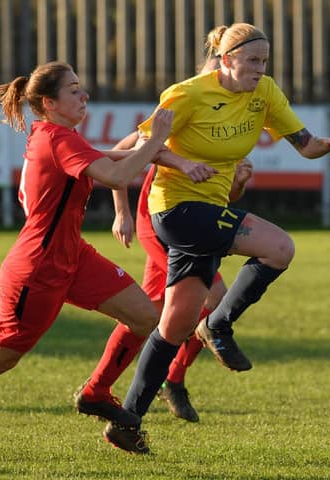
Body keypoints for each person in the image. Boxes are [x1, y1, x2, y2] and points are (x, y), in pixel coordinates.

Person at [102, 23, 330, 454]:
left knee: (175, 325)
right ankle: (218, 324)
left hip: (210, 212)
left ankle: (127, 420)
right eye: (252, 60)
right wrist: (182, 165)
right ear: (227, 59)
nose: (259, 69)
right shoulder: (187, 93)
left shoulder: (265, 93)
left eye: (264, 61)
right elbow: (143, 146)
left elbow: (304, 144)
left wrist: (327, 144)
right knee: (280, 247)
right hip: (174, 210)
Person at [0, 61, 174, 457]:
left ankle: (96, 392)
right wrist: (157, 139)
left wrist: (171, 157)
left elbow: (113, 158)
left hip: (73, 256)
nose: (84, 95)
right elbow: (116, 176)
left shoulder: (60, 136)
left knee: (143, 314)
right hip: (37, 271)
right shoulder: (58, 139)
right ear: (49, 103)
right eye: (74, 90)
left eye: (81, 87)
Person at [73, 57, 252, 426]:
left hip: (195, 221)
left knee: (151, 312)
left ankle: (105, 385)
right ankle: (170, 377)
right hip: (158, 220)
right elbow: (119, 153)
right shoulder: (181, 105)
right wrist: (120, 212)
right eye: (210, 79)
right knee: (211, 298)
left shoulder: (228, 126)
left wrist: (239, 183)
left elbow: (227, 198)